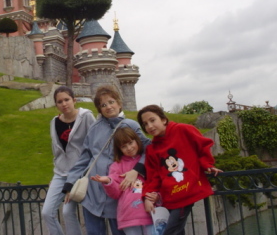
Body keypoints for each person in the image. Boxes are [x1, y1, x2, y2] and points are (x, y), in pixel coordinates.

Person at [62, 85, 151, 235]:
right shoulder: (95, 128)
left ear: (119, 103)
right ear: (99, 109)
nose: (108, 107)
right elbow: (84, 159)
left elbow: (149, 149)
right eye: (103, 105)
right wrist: (70, 183)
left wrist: (136, 170)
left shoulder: (131, 125)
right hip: (93, 194)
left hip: (118, 194)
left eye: (111, 102)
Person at [137, 104, 222, 235]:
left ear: (163, 119)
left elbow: (203, 146)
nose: (149, 126)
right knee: (177, 231)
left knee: (171, 232)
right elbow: (153, 176)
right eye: (145, 124)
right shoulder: (152, 149)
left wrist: (207, 165)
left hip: (187, 192)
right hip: (169, 198)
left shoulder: (183, 130)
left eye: (152, 120)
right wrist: (147, 196)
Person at [42, 86, 96, 235]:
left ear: (74, 100)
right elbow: (57, 151)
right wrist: (56, 175)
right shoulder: (54, 122)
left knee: (67, 212)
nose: (64, 104)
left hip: (79, 172)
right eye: (59, 101)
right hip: (60, 174)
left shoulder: (86, 117)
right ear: (56, 105)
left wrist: (82, 173)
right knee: (47, 213)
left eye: (67, 99)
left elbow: (94, 146)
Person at [91, 127, 154, 235]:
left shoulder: (148, 159)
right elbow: (116, 193)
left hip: (150, 212)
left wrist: (155, 195)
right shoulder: (117, 166)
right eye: (124, 146)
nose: (129, 148)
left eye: (130, 143)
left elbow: (155, 181)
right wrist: (108, 181)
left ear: (137, 140)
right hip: (129, 216)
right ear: (119, 149)